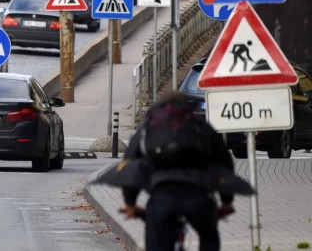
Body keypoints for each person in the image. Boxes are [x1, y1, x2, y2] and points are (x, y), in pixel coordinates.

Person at [102, 92, 250, 251]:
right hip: (199, 197)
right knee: (209, 236)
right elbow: (224, 163)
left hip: (162, 197)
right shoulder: (199, 125)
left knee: (155, 238)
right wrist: (226, 202)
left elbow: (130, 166)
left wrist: (130, 204)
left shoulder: (148, 128)